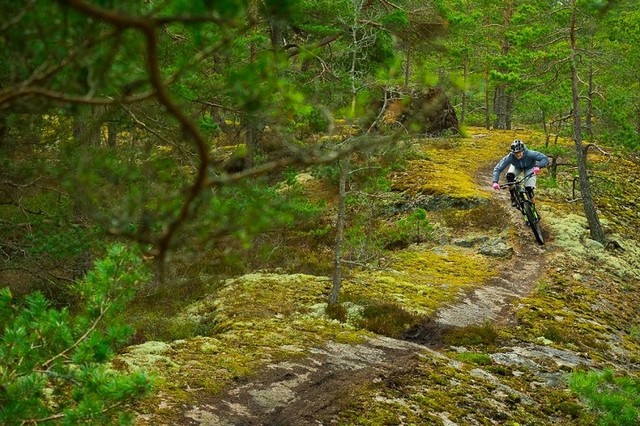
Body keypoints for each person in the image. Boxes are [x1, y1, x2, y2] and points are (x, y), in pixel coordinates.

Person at [491, 139, 549, 206]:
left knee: (529, 188)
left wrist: (538, 166)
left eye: (519, 152)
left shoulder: (530, 154)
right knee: (510, 176)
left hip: (530, 167)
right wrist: (495, 182)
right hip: (516, 167)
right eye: (515, 153)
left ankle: (533, 206)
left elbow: (544, 158)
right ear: (513, 152)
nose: (518, 154)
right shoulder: (510, 157)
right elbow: (498, 168)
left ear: (523, 150)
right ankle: (513, 196)